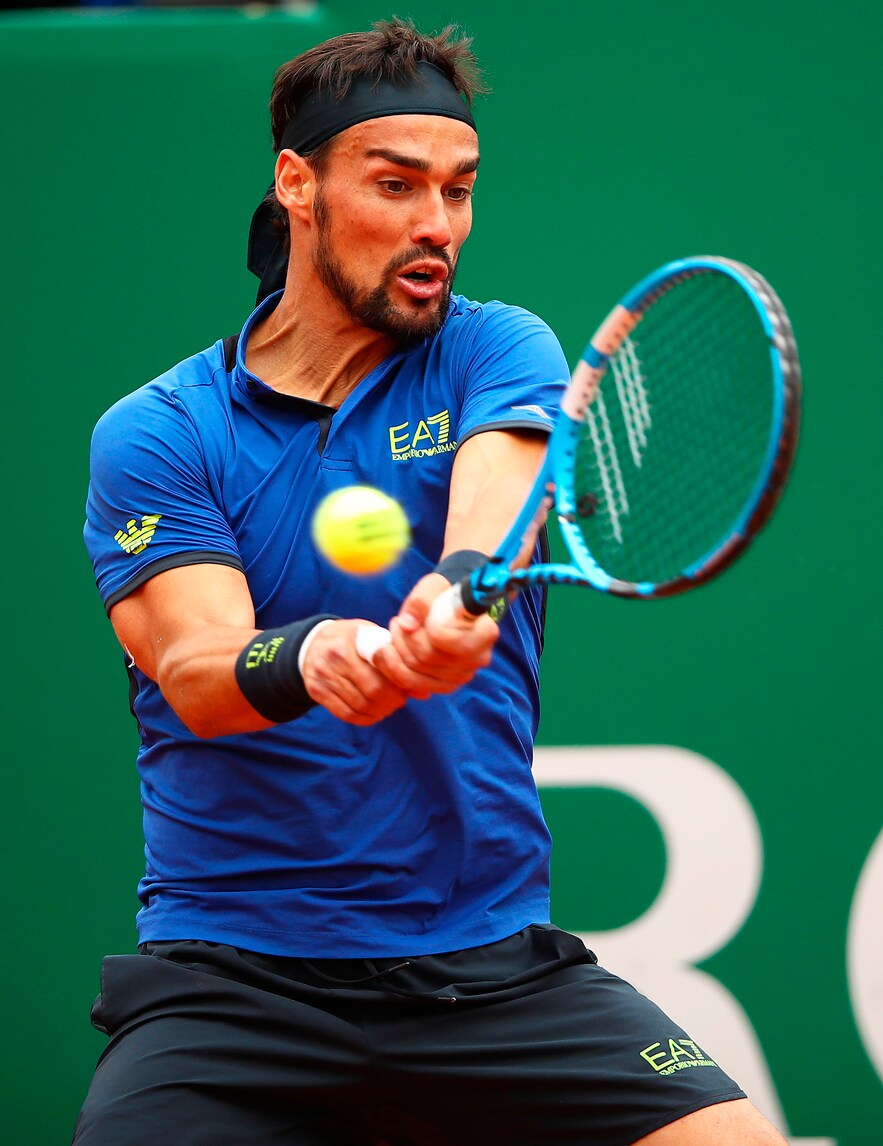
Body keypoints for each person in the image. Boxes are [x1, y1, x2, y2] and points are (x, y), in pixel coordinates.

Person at [76, 18, 788, 1146]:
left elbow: (493, 510)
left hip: (493, 977)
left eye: (458, 191)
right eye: (396, 185)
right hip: (231, 984)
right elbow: (196, 668)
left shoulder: (496, 348)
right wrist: (311, 655)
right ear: (296, 184)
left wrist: (461, 590)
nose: (436, 225)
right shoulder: (160, 432)